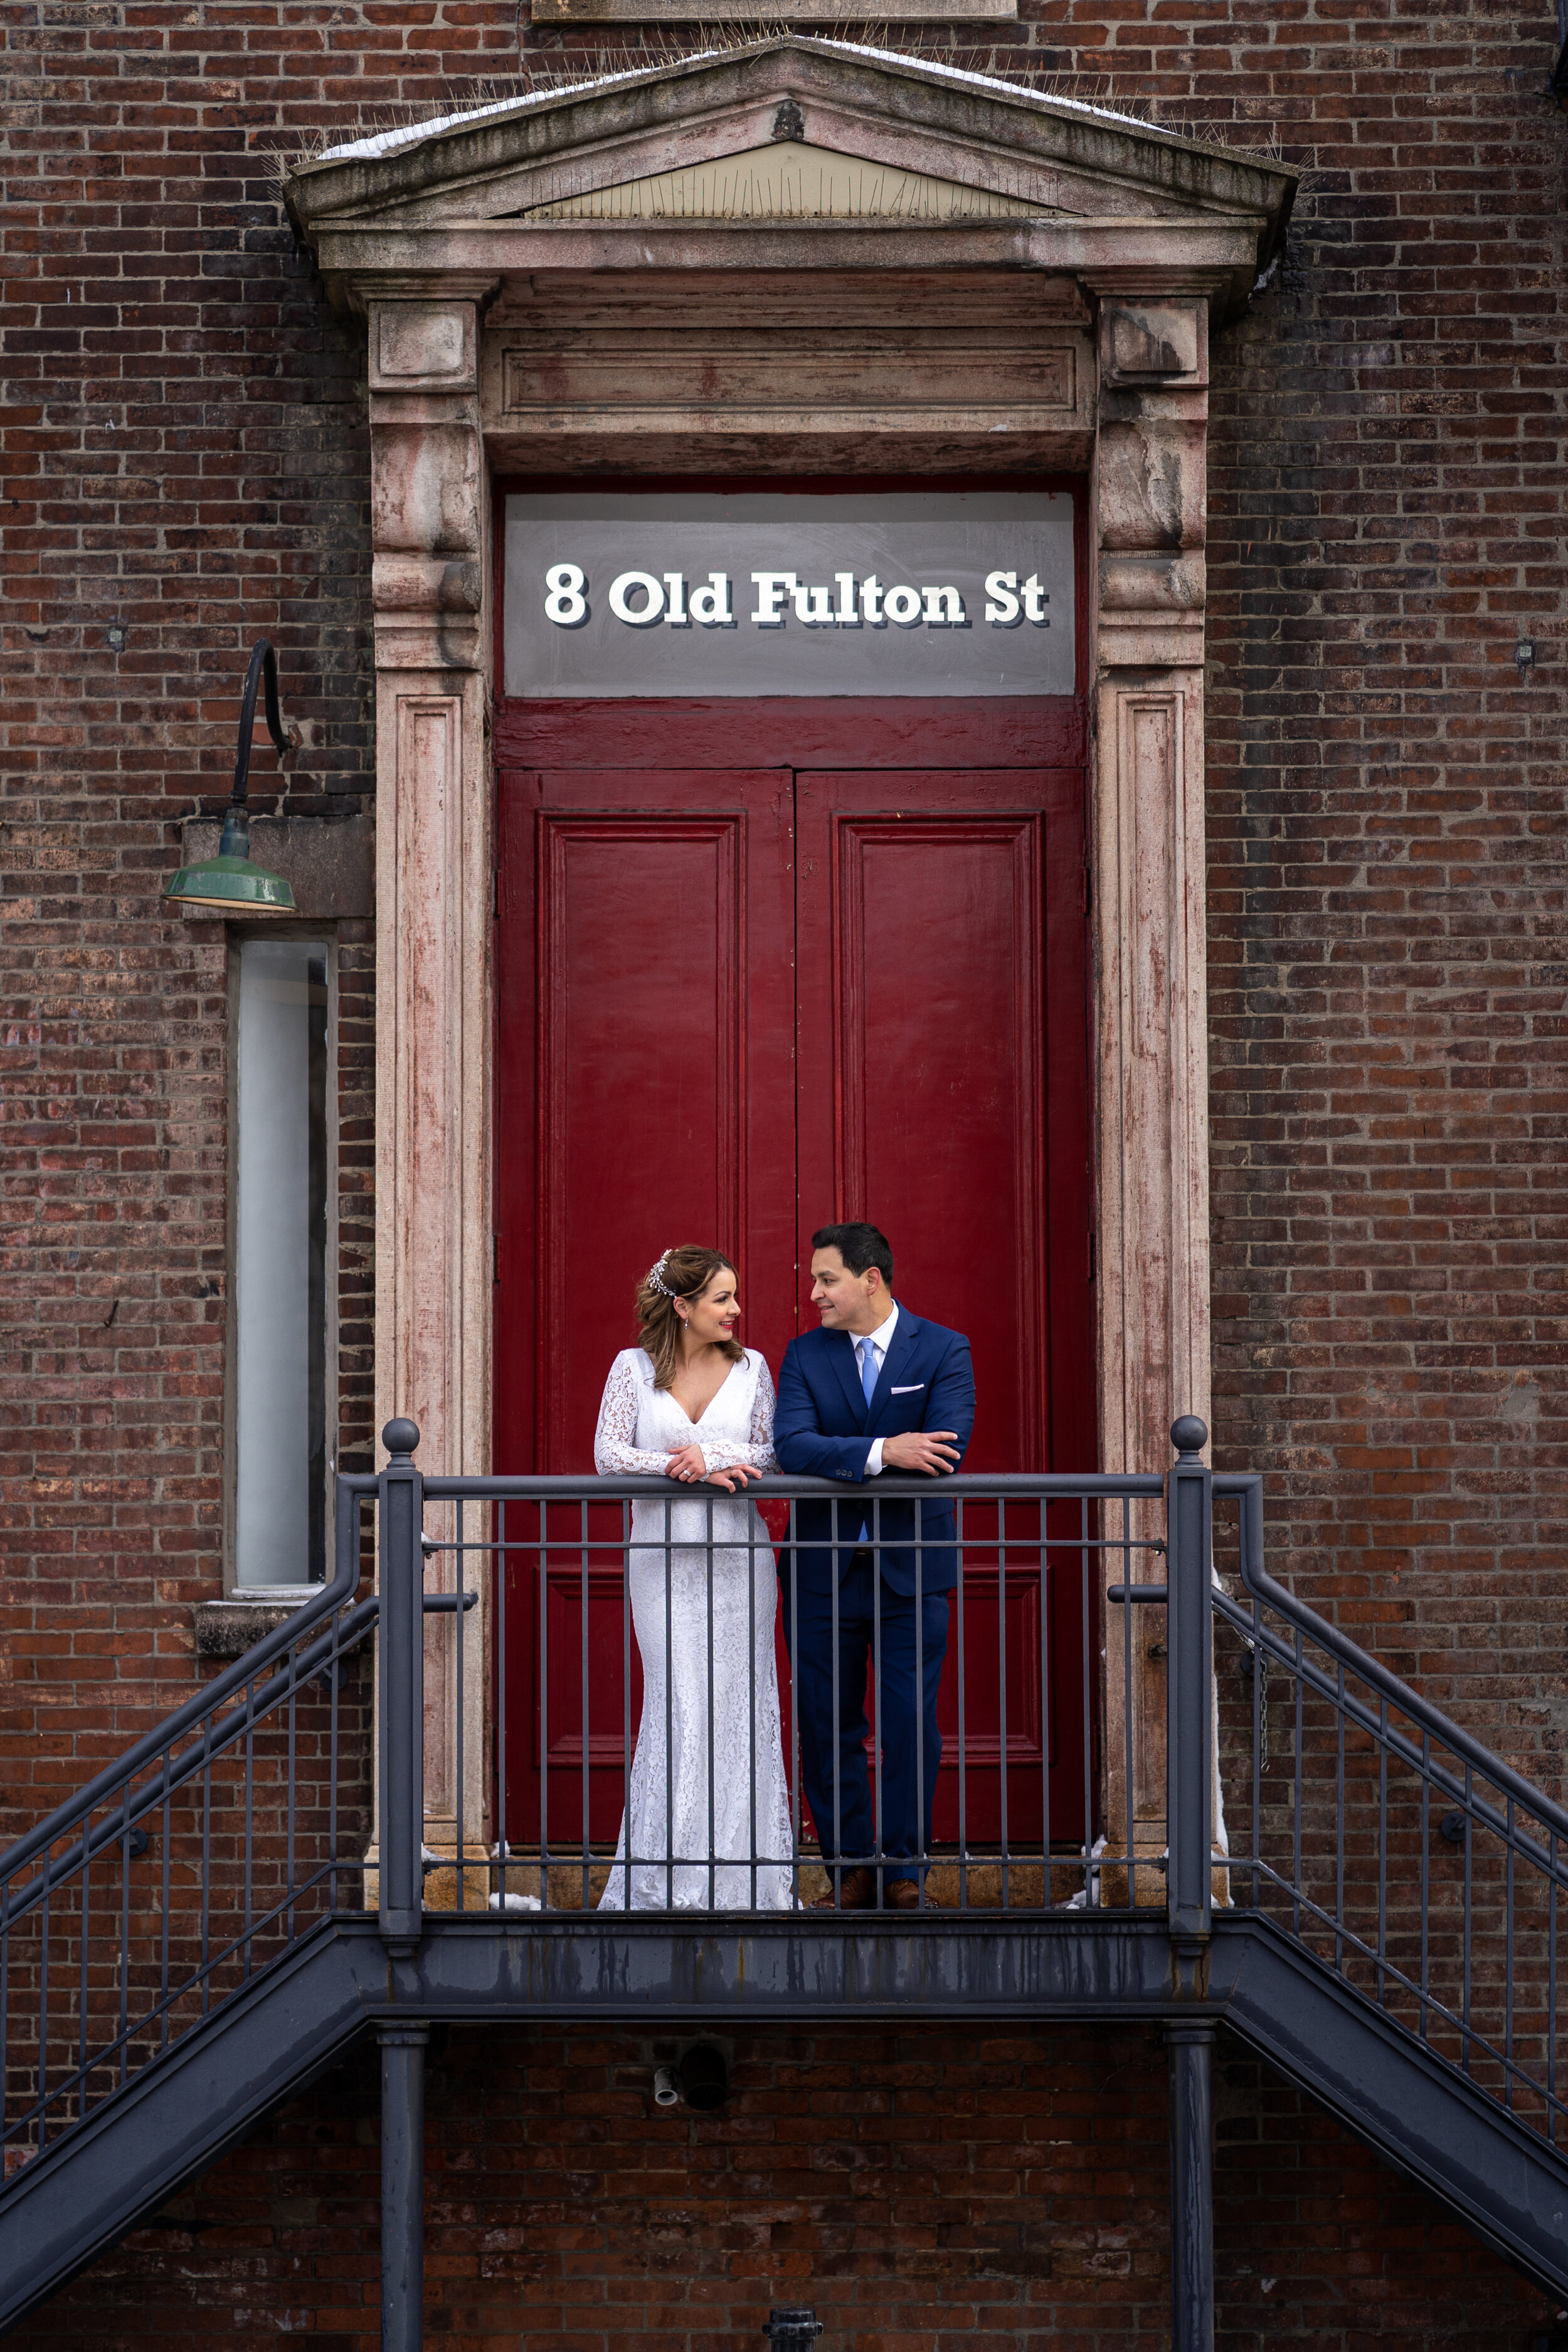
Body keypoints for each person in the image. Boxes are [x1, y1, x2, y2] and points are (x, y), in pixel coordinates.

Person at [773, 1222, 975, 1910]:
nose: (814, 1293)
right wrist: (885, 1451)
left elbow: (947, 1447)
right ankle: (848, 1871)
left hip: (911, 1568)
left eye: (826, 1279)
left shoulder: (944, 1348)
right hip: (820, 1571)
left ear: (871, 1279)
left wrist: (853, 1451)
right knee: (827, 1725)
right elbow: (793, 1446)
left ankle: (903, 1873)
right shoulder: (804, 1355)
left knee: (907, 1722)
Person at [593, 1245, 794, 1911]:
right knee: (679, 1704)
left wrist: (715, 1454)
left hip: (740, 1559)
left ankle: (747, 1880)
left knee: (739, 1708)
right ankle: (667, 1877)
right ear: (682, 1307)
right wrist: (683, 1469)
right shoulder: (633, 1368)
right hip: (660, 1558)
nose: (736, 1309)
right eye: (721, 1299)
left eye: (734, 1297)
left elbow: (771, 1448)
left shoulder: (754, 1369)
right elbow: (608, 1453)